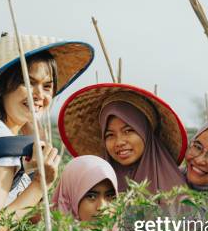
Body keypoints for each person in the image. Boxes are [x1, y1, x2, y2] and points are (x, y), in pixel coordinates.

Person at [0, 33, 94, 231]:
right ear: (1, 87)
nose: (39, 95)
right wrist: (40, 183)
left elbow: (28, 219)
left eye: (47, 86)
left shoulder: (0, 134)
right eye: (28, 83)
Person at [58, 83, 188, 194]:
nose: (119, 142)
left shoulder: (173, 188)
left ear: (145, 133)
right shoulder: (92, 183)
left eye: (128, 131)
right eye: (110, 135)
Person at [52, 155, 118, 221]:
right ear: (70, 196)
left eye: (110, 196)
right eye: (91, 196)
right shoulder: (47, 229)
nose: (102, 207)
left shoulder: (123, 230)